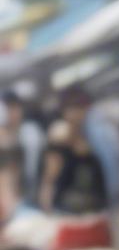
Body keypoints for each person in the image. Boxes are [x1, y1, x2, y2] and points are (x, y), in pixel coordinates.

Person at [39, 87, 107, 215]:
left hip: (91, 205)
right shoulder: (59, 137)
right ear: (64, 111)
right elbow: (49, 178)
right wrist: (47, 209)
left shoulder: (92, 134)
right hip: (65, 206)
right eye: (73, 108)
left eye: (81, 108)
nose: (78, 113)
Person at [2, 90, 45, 204]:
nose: (11, 113)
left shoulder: (31, 131)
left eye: (14, 107)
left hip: (32, 191)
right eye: (8, 108)